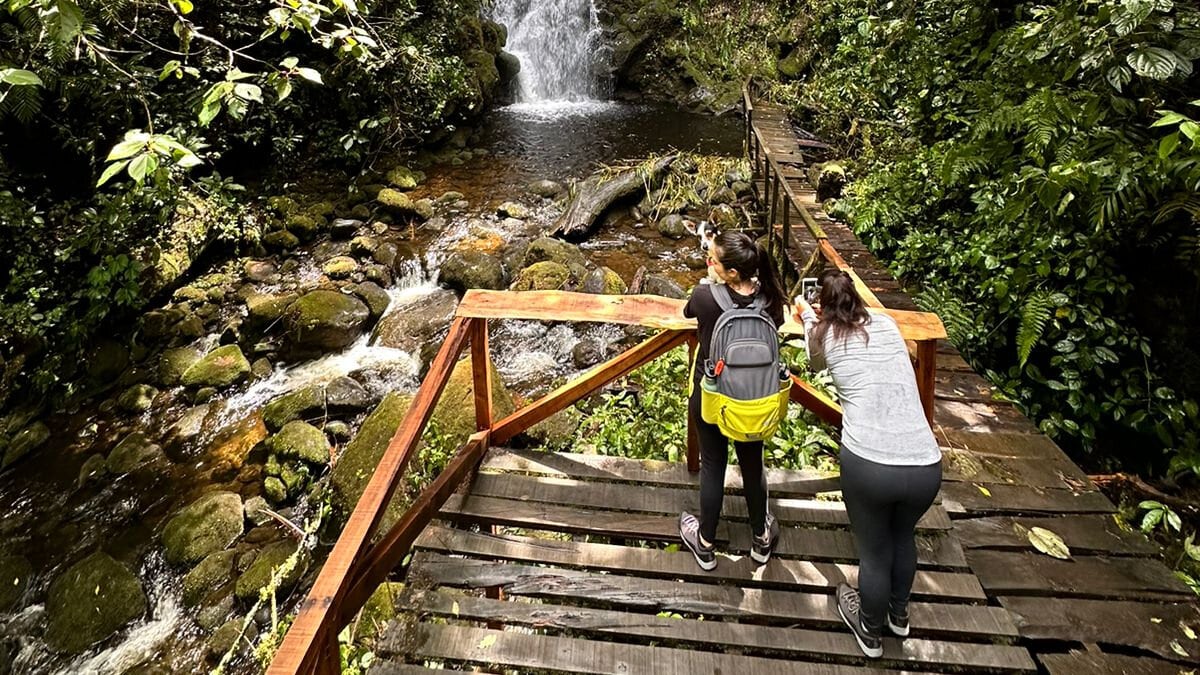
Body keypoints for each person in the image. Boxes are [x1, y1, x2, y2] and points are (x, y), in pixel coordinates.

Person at [794, 268, 943, 658]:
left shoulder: (826, 333)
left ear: (824, 305)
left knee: (875, 549)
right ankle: (899, 615)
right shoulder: (888, 324)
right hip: (926, 464)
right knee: (902, 536)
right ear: (857, 297)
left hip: (871, 463)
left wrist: (807, 316)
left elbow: (813, 360)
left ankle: (870, 631)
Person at [679, 230, 786, 571]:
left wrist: (710, 280)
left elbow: (686, 312)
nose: (708, 261)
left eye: (712, 259)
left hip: (712, 396)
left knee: (713, 464)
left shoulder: (705, 295)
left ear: (732, 272)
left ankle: (706, 544)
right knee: (753, 465)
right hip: (754, 398)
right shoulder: (771, 298)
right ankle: (760, 539)